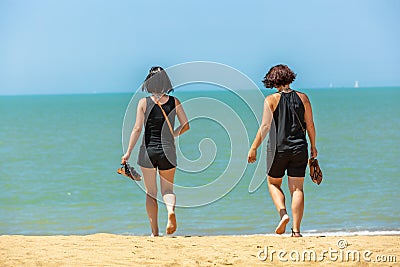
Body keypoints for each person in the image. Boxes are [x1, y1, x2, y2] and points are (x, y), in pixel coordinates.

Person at [247, 64, 317, 237]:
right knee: (297, 189)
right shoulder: (303, 98)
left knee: (273, 183)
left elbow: (265, 126)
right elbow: (310, 124)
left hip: (277, 150)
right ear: (290, 77)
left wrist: (253, 147)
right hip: (300, 147)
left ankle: (283, 214)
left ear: (273, 80)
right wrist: (313, 146)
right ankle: (296, 231)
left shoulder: (270, 100)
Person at [122, 66, 190, 236]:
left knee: (151, 192)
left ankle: (154, 232)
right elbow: (186, 125)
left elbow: (137, 129)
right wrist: (173, 134)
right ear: (166, 81)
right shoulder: (175, 102)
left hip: (148, 151)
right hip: (168, 150)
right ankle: (170, 212)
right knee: (168, 190)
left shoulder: (143, 103)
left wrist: (128, 152)